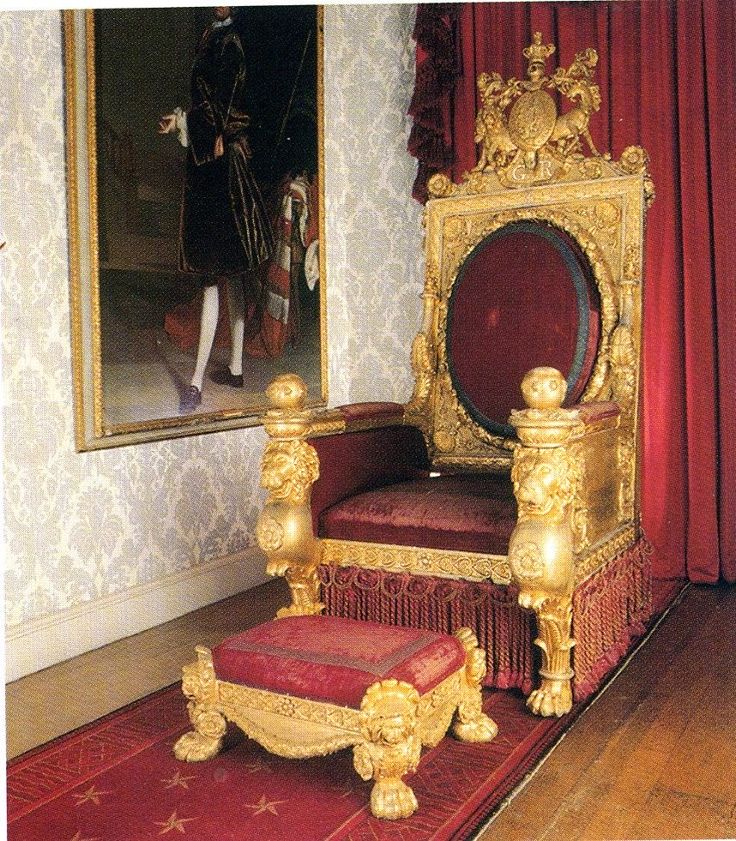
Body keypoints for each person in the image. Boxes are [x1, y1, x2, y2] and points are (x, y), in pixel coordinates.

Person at [159, 6, 274, 414]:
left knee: (215, 273)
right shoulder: (213, 37)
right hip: (218, 159)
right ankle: (237, 368)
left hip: (221, 167)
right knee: (232, 269)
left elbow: (226, 111)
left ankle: (194, 383)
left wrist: (189, 125)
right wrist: (183, 119)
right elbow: (208, 105)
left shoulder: (230, 44)